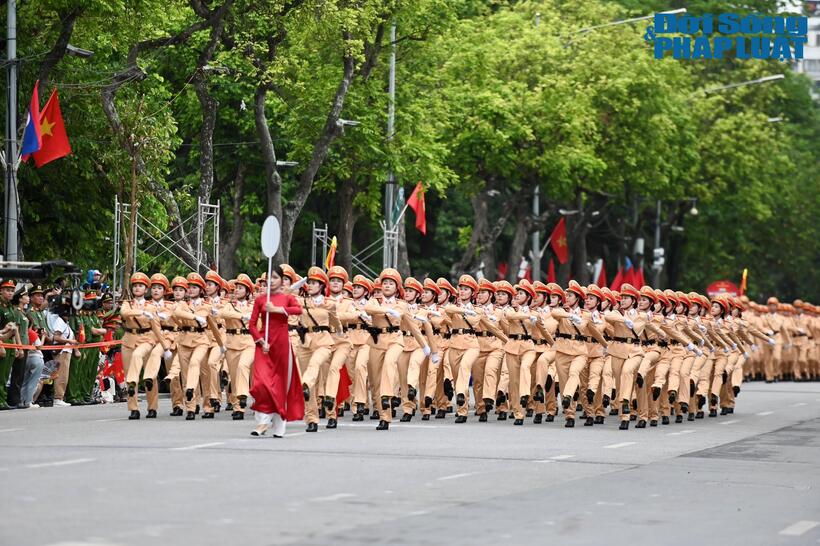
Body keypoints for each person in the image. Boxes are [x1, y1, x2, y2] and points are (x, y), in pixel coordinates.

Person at [248, 264, 304, 438]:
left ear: (281, 280)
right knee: (261, 383)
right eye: (269, 278)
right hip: (264, 345)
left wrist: (278, 309)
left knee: (279, 384)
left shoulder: (286, 297)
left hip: (281, 344)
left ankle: (277, 423)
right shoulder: (260, 299)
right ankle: (263, 421)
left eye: (275, 278)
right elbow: (251, 324)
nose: (271, 281)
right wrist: (259, 340)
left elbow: (298, 310)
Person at [218, 274, 255, 420]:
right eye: (236, 288)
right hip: (232, 342)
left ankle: (243, 396)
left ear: (247, 291)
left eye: (241, 288)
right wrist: (240, 316)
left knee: (243, 366)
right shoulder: (229, 305)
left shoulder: (252, 306)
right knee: (234, 375)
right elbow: (222, 314)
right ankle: (238, 407)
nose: (237, 291)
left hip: (248, 342)